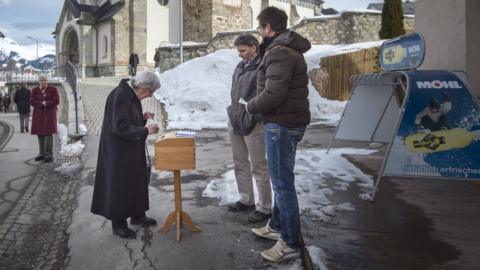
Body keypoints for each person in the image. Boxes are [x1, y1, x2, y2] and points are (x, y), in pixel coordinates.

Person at [246, 6, 311, 263]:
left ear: (268, 28)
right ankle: (276, 225)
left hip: (282, 125)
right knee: (280, 180)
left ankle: (291, 243)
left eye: (260, 27)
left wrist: (250, 106)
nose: (259, 32)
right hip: (284, 123)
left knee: (283, 184)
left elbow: (274, 94)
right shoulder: (283, 49)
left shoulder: (279, 52)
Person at [91, 71, 160, 239]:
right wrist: (145, 130)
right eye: (151, 91)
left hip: (130, 148)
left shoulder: (130, 94)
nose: (150, 95)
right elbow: (120, 126)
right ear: (143, 87)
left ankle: (138, 215)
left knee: (137, 181)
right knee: (120, 186)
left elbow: (128, 119)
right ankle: (119, 224)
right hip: (118, 151)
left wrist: (142, 119)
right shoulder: (120, 95)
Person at [226, 34, 272, 223]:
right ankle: (246, 200)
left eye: (243, 50)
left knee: (259, 166)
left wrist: (255, 115)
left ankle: (265, 208)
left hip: (254, 122)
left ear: (254, 47)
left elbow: (265, 94)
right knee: (240, 163)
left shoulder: (263, 65)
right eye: (238, 50)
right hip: (235, 119)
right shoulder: (240, 66)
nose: (239, 54)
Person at [30, 75, 59, 163]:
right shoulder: (35, 90)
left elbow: (56, 101)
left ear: (47, 81)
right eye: (42, 81)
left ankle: (48, 155)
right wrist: (41, 103)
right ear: (39, 82)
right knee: (40, 135)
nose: (43, 82)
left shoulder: (53, 89)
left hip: (49, 115)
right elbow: (31, 101)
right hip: (39, 115)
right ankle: (41, 154)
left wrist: (46, 103)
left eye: (45, 80)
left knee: (48, 135)